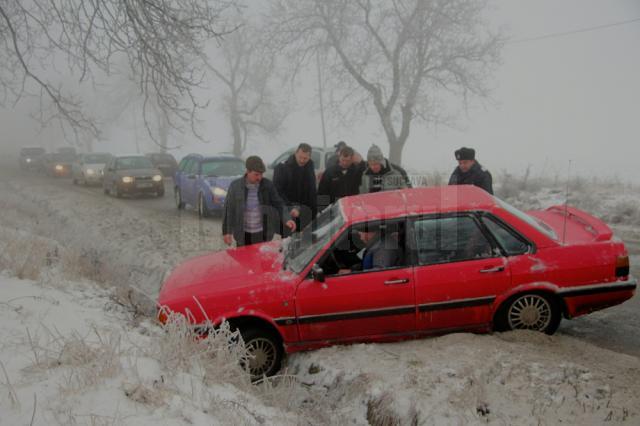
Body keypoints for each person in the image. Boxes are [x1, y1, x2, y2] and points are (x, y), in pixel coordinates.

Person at [222, 156, 296, 247]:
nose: (259, 178)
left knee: (261, 260)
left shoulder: (268, 186)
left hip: (262, 235)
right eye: (256, 174)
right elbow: (228, 209)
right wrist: (227, 232)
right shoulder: (235, 186)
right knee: (244, 260)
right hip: (242, 235)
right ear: (248, 171)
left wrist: (287, 218)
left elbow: (279, 203)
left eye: (261, 174)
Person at [273, 143, 317, 234]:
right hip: (288, 210)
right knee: (288, 239)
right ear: (296, 153)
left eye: (305, 158)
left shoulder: (310, 166)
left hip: (304, 210)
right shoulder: (282, 167)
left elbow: (312, 190)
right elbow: (277, 191)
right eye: (300, 157)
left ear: (309, 157)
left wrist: (314, 212)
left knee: (304, 240)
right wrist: (290, 207)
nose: (302, 160)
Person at [317, 146, 365, 212]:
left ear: (352, 159)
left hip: (352, 208)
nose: (345, 163)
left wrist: (361, 161)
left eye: (347, 161)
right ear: (339, 157)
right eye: (343, 160)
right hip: (334, 209)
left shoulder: (356, 171)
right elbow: (322, 192)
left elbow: (366, 171)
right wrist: (322, 209)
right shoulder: (330, 171)